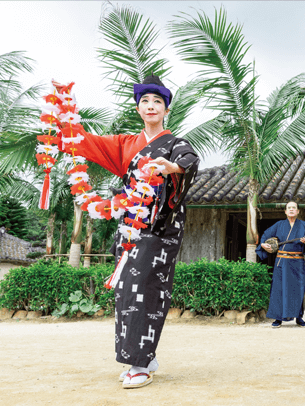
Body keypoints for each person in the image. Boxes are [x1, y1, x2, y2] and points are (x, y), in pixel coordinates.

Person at [56, 74, 199, 389]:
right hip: (130, 226)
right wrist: (64, 108)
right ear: (138, 108)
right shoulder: (126, 144)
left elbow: (188, 161)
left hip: (161, 225)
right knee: (127, 289)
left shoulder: (176, 143)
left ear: (166, 110)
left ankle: (140, 363)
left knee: (146, 287)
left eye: (157, 102)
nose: (151, 106)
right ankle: (142, 357)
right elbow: (84, 141)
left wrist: (172, 168)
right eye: (145, 101)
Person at [256, 202, 305, 328]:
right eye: (289, 208)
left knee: (298, 289)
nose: (291, 210)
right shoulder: (279, 225)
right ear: (285, 211)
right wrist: (262, 244)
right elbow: (266, 234)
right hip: (282, 262)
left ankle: (299, 318)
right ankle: (278, 319)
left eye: (294, 208)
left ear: (298, 211)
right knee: (279, 289)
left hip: (297, 262)